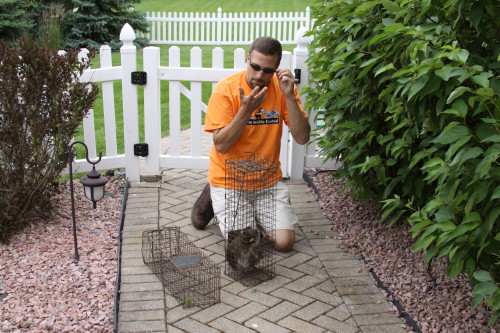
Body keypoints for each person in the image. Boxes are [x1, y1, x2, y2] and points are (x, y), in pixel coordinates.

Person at [191, 36, 310, 252]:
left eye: (267, 70)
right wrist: (246, 110)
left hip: (267, 181)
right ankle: (213, 190)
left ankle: (249, 213)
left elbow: (302, 137)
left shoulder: (283, 89)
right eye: (255, 66)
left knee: (284, 243)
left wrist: (290, 97)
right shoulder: (226, 90)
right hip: (230, 180)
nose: (259, 75)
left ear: (276, 69)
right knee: (244, 245)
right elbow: (221, 145)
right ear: (248, 58)